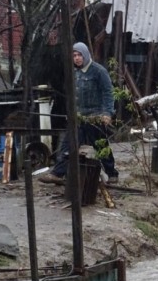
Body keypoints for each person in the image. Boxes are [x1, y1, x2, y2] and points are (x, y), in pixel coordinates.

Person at [40, 42, 119, 185]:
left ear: (86, 55)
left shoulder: (98, 71)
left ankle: (112, 173)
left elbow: (108, 93)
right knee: (68, 145)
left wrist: (107, 113)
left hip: (95, 117)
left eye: (79, 55)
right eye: (74, 55)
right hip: (79, 117)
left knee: (101, 146)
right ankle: (58, 173)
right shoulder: (75, 73)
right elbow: (74, 96)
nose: (76, 58)